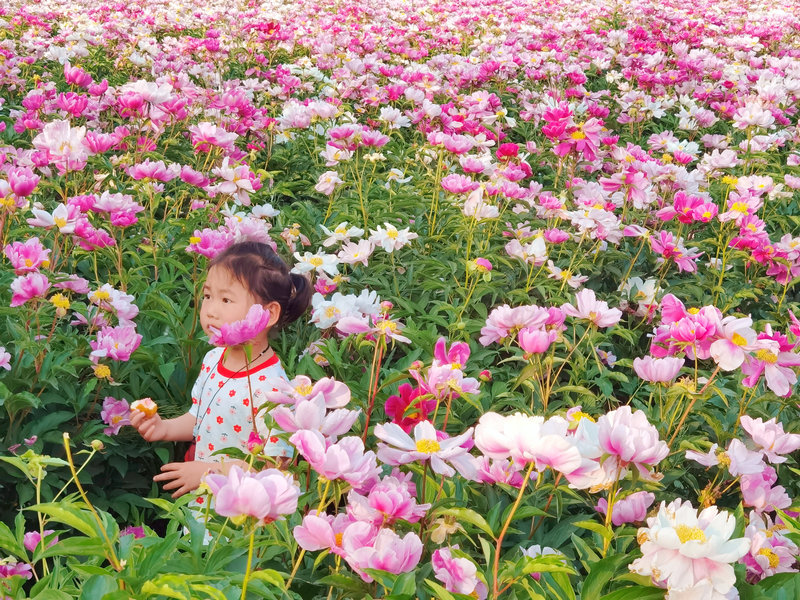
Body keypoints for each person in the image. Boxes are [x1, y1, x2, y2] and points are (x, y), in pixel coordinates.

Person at [130, 241, 312, 498]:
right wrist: (163, 429)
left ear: (268, 314)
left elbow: (273, 465)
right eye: (207, 296)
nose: (211, 311)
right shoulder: (214, 358)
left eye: (226, 299)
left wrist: (207, 472)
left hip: (240, 516)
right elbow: (199, 418)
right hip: (202, 504)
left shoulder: (274, 389)